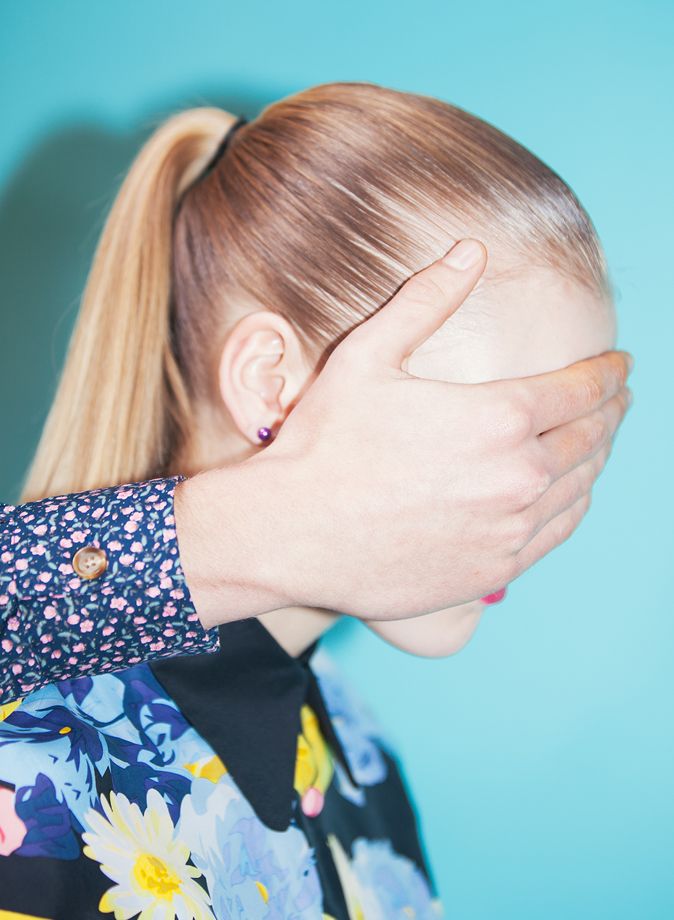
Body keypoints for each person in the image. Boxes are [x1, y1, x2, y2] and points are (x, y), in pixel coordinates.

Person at [0, 81, 632, 918]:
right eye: (504, 426)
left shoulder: (357, 752)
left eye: (567, 434)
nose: (531, 489)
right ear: (273, 384)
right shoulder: (31, 783)